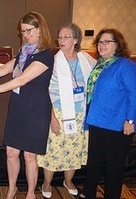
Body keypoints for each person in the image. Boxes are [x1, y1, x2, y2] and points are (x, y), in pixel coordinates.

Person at [0, 12, 54, 199]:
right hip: (19, 107)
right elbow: (3, 69)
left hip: (35, 111)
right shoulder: (24, 52)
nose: (25, 35)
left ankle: (30, 193)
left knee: (29, 156)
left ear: (40, 29)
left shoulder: (45, 56)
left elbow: (22, 80)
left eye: (28, 31)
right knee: (11, 152)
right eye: (22, 32)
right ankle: (12, 188)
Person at [37, 23, 96, 198]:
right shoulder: (53, 61)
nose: (61, 40)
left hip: (81, 114)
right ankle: (46, 183)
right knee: (54, 151)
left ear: (76, 39)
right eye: (60, 37)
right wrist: (52, 118)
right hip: (59, 113)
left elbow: (98, 77)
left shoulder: (86, 59)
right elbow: (45, 91)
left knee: (75, 150)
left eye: (66, 37)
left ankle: (68, 181)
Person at [80, 28, 136, 199]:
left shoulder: (125, 65)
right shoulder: (100, 64)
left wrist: (131, 120)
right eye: (100, 42)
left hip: (117, 125)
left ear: (117, 44)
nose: (102, 45)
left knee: (114, 167)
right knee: (94, 163)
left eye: (107, 42)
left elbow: (134, 93)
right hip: (97, 122)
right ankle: (89, 193)